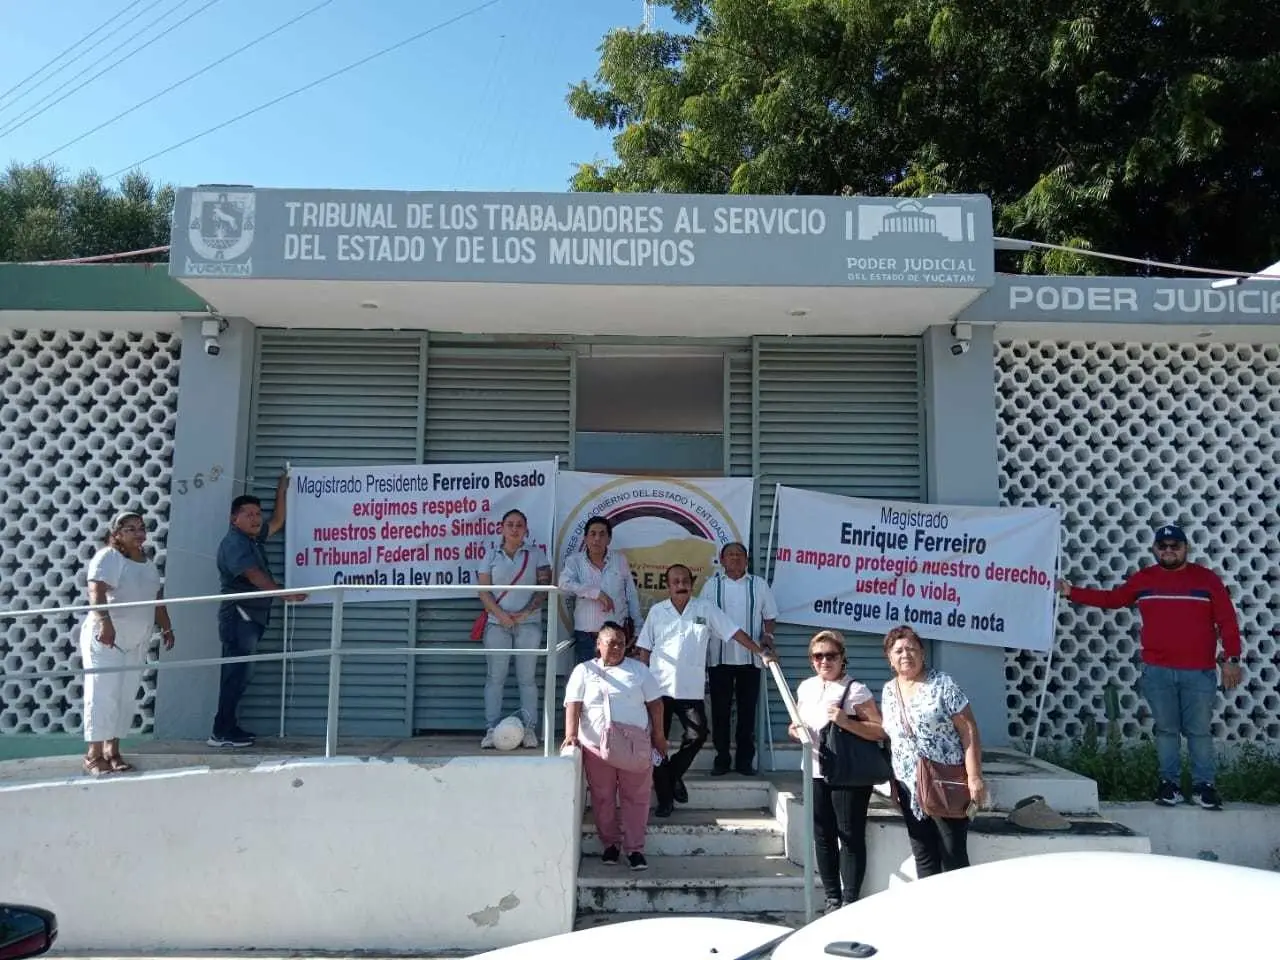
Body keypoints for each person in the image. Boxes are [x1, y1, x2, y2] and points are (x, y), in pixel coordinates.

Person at [1058, 523, 1242, 810]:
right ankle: (1168, 785)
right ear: (1155, 549)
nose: (1169, 551)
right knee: (1167, 731)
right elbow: (1113, 599)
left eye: (1175, 546)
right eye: (1163, 546)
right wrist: (1072, 593)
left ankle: (1203, 786)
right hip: (1157, 671)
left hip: (1199, 672)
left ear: (1186, 549)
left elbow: (1228, 621)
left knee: (1199, 732)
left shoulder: (1207, 580)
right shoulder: (1144, 579)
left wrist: (1232, 659)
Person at [634, 564, 776, 817]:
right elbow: (644, 647)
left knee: (698, 735)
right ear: (668, 585)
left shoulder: (705, 609)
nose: (680, 584)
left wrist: (760, 651)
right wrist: (641, 684)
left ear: (692, 583)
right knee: (657, 744)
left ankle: (672, 774)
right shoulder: (658, 611)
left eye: (685, 580)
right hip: (658, 689)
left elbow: (734, 633)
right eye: (675, 581)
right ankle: (665, 800)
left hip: (691, 689)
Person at [880, 624, 985, 879]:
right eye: (899, 650)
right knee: (923, 854)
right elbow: (892, 739)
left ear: (923, 653)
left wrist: (974, 777)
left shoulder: (942, 684)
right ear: (890, 659)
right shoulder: (888, 691)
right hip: (909, 786)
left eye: (911, 648)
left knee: (953, 855)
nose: (906, 654)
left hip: (945, 781)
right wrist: (893, 785)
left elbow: (968, 729)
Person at [789, 630, 883, 912]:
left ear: (843, 658)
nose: (824, 661)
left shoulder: (855, 690)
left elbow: (880, 730)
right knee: (823, 835)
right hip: (815, 770)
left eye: (831, 655)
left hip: (847, 773)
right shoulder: (806, 687)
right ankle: (832, 898)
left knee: (849, 835)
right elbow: (797, 722)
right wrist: (794, 731)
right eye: (818, 656)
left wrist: (845, 721)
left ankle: (850, 900)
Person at [563, 621, 667, 871]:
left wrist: (660, 737)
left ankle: (635, 849)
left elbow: (656, 705)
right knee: (603, 797)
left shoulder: (639, 670)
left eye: (621, 643)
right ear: (598, 645)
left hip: (635, 747)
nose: (618, 647)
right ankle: (610, 844)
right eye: (611, 643)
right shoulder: (583, 670)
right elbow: (573, 704)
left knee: (636, 798)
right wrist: (570, 735)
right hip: (597, 748)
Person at [210, 474, 302, 748]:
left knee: (241, 674)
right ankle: (221, 731)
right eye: (247, 514)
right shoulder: (235, 543)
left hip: (251, 618)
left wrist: (282, 492)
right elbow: (254, 576)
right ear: (233, 518)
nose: (255, 518)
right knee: (236, 674)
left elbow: (276, 523)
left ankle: (227, 727)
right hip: (239, 617)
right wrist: (284, 594)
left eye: (256, 513)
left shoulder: (250, 538)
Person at [79, 511, 174, 776]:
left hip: (136, 640)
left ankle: (113, 751)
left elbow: (157, 599)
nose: (138, 533)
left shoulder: (148, 563)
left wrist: (167, 626)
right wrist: (104, 622)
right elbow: (96, 591)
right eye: (130, 528)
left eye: (141, 528)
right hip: (106, 639)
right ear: (117, 533)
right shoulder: (109, 557)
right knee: (102, 694)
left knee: (125, 696)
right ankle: (93, 755)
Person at [699, 541, 778, 776]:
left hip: (751, 660)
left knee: (747, 712)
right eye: (730, 555)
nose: (734, 559)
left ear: (746, 560)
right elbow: (700, 619)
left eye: (739, 555)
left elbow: (770, 615)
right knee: (720, 712)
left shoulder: (759, 585)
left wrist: (768, 635)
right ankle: (721, 758)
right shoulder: (711, 586)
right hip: (718, 658)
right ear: (721, 560)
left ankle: (745, 761)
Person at [476, 508, 553, 749]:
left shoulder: (537, 555)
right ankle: (491, 728)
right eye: (510, 524)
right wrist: (501, 616)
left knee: (527, 679)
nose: (514, 528)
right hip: (496, 625)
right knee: (495, 678)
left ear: (526, 529)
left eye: (519, 524)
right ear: (501, 527)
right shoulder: (489, 555)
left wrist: (524, 614)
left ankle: (529, 729)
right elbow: (483, 592)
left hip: (528, 625)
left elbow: (544, 587)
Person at [558, 515, 641, 664]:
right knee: (589, 682)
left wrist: (638, 628)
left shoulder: (619, 560)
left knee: (616, 682)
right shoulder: (574, 561)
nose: (597, 538)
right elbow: (563, 584)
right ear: (585, 538)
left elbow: (631, 595)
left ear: (609, 539)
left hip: (616, 636)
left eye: (602, 534)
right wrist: (595, 593)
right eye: (593, 534)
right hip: (586, 637)